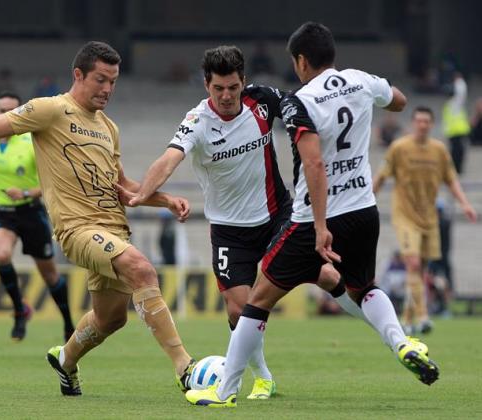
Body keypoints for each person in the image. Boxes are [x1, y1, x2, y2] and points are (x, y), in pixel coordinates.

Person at [0, 41, 196, 397]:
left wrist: (166, 200)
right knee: (143, 270)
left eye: (113, 82)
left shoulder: (109, 127)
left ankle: (66, 360)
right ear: (78, 74)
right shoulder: (50, 110)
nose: (107, 89)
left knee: (110, 319)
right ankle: (185, 367)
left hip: (115, 229)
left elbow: (124, 187)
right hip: (78, 229)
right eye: (100, 79)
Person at [185, 22, 439, 408]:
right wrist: (375, 99)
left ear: (301, 61)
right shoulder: (359, 80)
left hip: (312, 218)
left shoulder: (299, 101)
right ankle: (402, 342)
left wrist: (320, 227)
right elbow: (399, 101)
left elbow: (315, 164)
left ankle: (224, 392)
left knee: (257, 302)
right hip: (364, 210)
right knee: (363, 286)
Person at [119, 45, 360, 400]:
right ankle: (263, 377)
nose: (227, 95)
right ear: (206, 85)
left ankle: (390, 332)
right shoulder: (197, 121)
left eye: (233, 87)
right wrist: (144, 194)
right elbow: (169, 159)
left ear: (243, 81)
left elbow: (301, 108)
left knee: (325, 274)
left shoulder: (261, 102)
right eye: (219, 88)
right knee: (238, 309)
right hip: (230, 230)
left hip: (278, 215)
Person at [0, 91, 75, 342]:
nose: (7, 115)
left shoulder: (31, 141)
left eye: (13, 110)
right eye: (2, 110)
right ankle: (19, 310)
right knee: (2, 254)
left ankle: (68, 324)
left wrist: (26, 191)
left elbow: (53, 181)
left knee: (49, 273)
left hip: (30, 210)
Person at [373, 106, 477, 334]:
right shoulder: (399, 148)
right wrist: (368, 202)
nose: (422, 125)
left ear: (431, 124)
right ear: (412, 123)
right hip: (405, 216)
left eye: (426, 121)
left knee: (421, 271)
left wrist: (466, 204)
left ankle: (407, 320)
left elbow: (451, 180)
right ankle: (423, 316)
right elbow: (381, 177)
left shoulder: (439, 150)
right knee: (413, 264)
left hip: (429, 218)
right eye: (418, 121)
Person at [442, 72, 470, 174]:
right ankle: (455, 169)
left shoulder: (456, 102)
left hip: (459, 130)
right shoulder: (449, 104)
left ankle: (458, 170)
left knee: (458, 152)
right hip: (453, 131)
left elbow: (461, 91)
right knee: (454, 152)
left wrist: (458, 80)